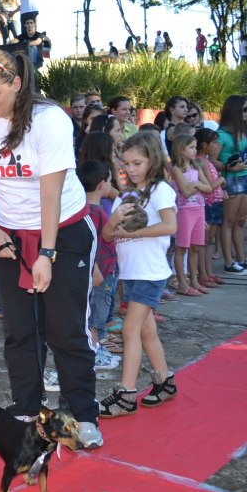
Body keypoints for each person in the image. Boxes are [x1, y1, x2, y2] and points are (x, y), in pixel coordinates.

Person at [0, 49, 102, 449]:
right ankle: (26, 407)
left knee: (65, 328)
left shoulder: (49, 120)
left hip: (64, 231)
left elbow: (51, 194)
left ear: (16, 84)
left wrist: (47, 255)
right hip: (10, 235)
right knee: (19, 329)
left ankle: (84, 414)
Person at [98, 131, 178, 418]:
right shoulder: (127, 194)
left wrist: (136, 232)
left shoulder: (161, 190)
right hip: (130, 273)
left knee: (130, 329)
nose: (130, 169)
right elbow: (107, 234)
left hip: (150, 272)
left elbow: (170, 226)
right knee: (145, 329)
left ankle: (126, 394)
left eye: (137, 163)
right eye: (126, 164)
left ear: (152, 160)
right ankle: (164, 381)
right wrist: (116, 221)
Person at [76, 160, 123, 369]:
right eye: (110, 181)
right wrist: (95, 269)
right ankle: (94, 352)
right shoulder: (94, 212)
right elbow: (89, 243)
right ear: (102, 184)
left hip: (101, 271)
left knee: (97, 311)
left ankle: (96, 348)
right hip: (101, 274)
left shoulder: (83, 209)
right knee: (97, 314)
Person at [215, 95, 247, 275]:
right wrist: (229, 167)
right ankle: (229, 261)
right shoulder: (221, 135)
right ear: (235, 111)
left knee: (240, 222)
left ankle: (241, 259)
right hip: (231, 180)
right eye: (244, 109)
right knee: (228, 222)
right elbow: (211, 161)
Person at [170, 133, 213, 296]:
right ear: (181, 149)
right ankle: (182, 283)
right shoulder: (176, 169)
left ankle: (193, 280)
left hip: (198, 209)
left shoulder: (196, 166)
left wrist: (196, 184)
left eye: (195, 147)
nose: (195, 150)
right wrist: (199, 186)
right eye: (192, 147)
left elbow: (209, 187)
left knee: (195, 246)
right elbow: (185, 192)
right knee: (182, 248)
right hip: (185, 211)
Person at [194, 128, 227, 287]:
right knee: (204, 241)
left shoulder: (207, 161)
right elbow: (209, 186)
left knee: (209, 241)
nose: (216, 145)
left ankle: (208, 272)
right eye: (214, 142)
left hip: (215, 202)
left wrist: (222, 191)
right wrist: (220, 181)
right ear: (204, 144)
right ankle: (203, 274)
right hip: (208, 204)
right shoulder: (202, 162)